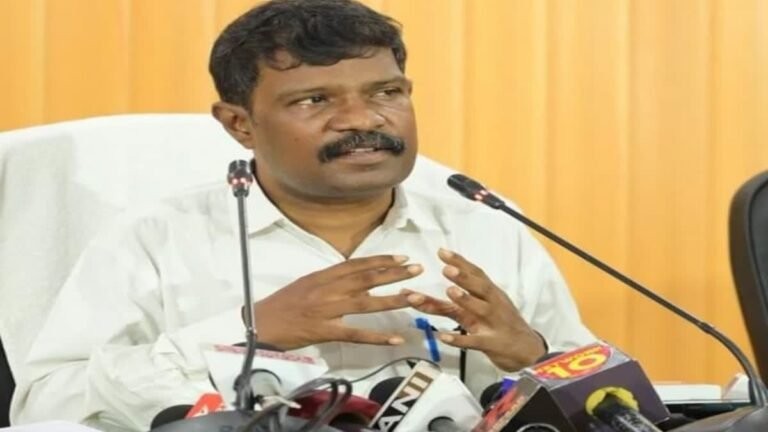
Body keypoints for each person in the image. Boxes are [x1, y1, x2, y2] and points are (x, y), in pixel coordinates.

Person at [10, 0, 595, 430]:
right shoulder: (154, 239)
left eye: (386, 93)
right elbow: (47, 404)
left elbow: (608, 406)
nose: (362, 119)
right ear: (239, 124)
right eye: (315, 100)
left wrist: (533, 355)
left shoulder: (486, 230)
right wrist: (247, 331)